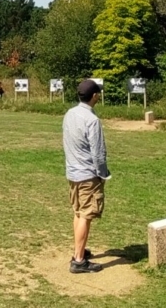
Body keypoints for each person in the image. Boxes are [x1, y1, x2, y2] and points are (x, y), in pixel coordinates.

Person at [62, 79, 110, 274]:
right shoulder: (92, 120)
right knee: (86, 215)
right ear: (95, 96)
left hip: (73, 172)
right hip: (88, 175)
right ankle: (79, 261)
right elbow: (98, 153)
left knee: (78, 212)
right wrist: (103, 174)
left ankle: (78, 251)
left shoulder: (69, 113)